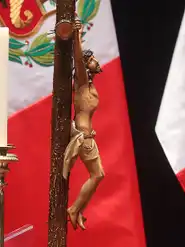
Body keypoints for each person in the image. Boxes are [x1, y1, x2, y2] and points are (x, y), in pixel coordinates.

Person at [62, 18, 105, 231]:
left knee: (99, 175)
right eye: (93, 60)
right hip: (83, 137)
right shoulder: (81, 83)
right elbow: (77, 58)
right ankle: (74, 209)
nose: (97, 62)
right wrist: (77, 35)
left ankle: (77, 209)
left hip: (89, 137)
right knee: (98, 174)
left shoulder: (89, 86)